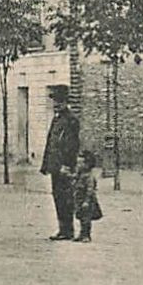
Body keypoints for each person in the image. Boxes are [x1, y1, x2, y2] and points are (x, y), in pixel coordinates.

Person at [39, 96, 82, 241]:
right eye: (54, 102)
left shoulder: (71, 120)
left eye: (59, 102)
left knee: (66, 198)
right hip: (55, 166)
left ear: (66, 103)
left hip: (64, 167)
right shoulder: (56, 120)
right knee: (58, 197)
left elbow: (72, 145)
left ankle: (68, 230)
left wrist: (68, 165)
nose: (56, 105)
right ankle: (62, 228)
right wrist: (46, 165)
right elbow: (50, 144)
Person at [72, 149, 104, 243]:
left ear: (87, 165)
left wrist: (87, 201)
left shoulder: (89, 177)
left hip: (87, 201)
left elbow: (90, 190)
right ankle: (82, 234)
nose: (78, 166)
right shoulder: (80, 174)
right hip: (79, 199)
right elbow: (75, 180)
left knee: (86, 219)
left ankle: (86, 235)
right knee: (81, 217)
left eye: (80, 163)